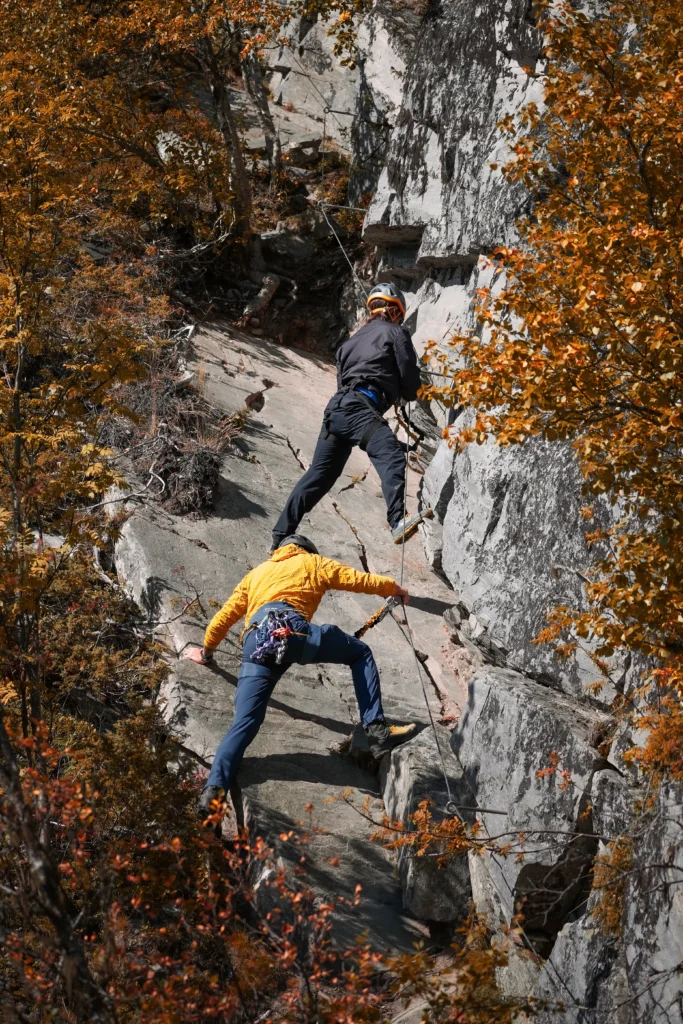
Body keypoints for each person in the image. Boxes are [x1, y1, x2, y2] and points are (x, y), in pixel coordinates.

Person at [186, 534, 416, 817]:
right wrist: (394, 588)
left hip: (256, 643)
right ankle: (377, 731)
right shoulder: (313, 563)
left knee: (244, 723)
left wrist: (206, 653)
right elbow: (358, 579)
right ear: (306, 550)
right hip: (291, 631)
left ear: (282, 550)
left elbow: (224, 617)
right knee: (360, 654)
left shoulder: (257, 574)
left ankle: (212, 796)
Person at [270, 283, 432, 553]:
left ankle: (280, 535)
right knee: (391, 454)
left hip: (337, 410)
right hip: (360, 407)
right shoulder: (397, 332)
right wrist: (410, 385)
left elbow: (343, 382)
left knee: (319, 476)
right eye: (399, 316)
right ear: (394, 311)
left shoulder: (346, 345)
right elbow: (410, 383)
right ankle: (397, 520)